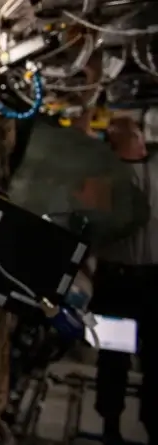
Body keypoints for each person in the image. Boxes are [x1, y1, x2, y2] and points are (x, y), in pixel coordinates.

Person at [90, 116, 157, 445]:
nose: (141, 141)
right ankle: (111, 427)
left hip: (152, 283)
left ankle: (152, 423)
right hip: (116, 284)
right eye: (134, 137)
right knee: (114, 357)